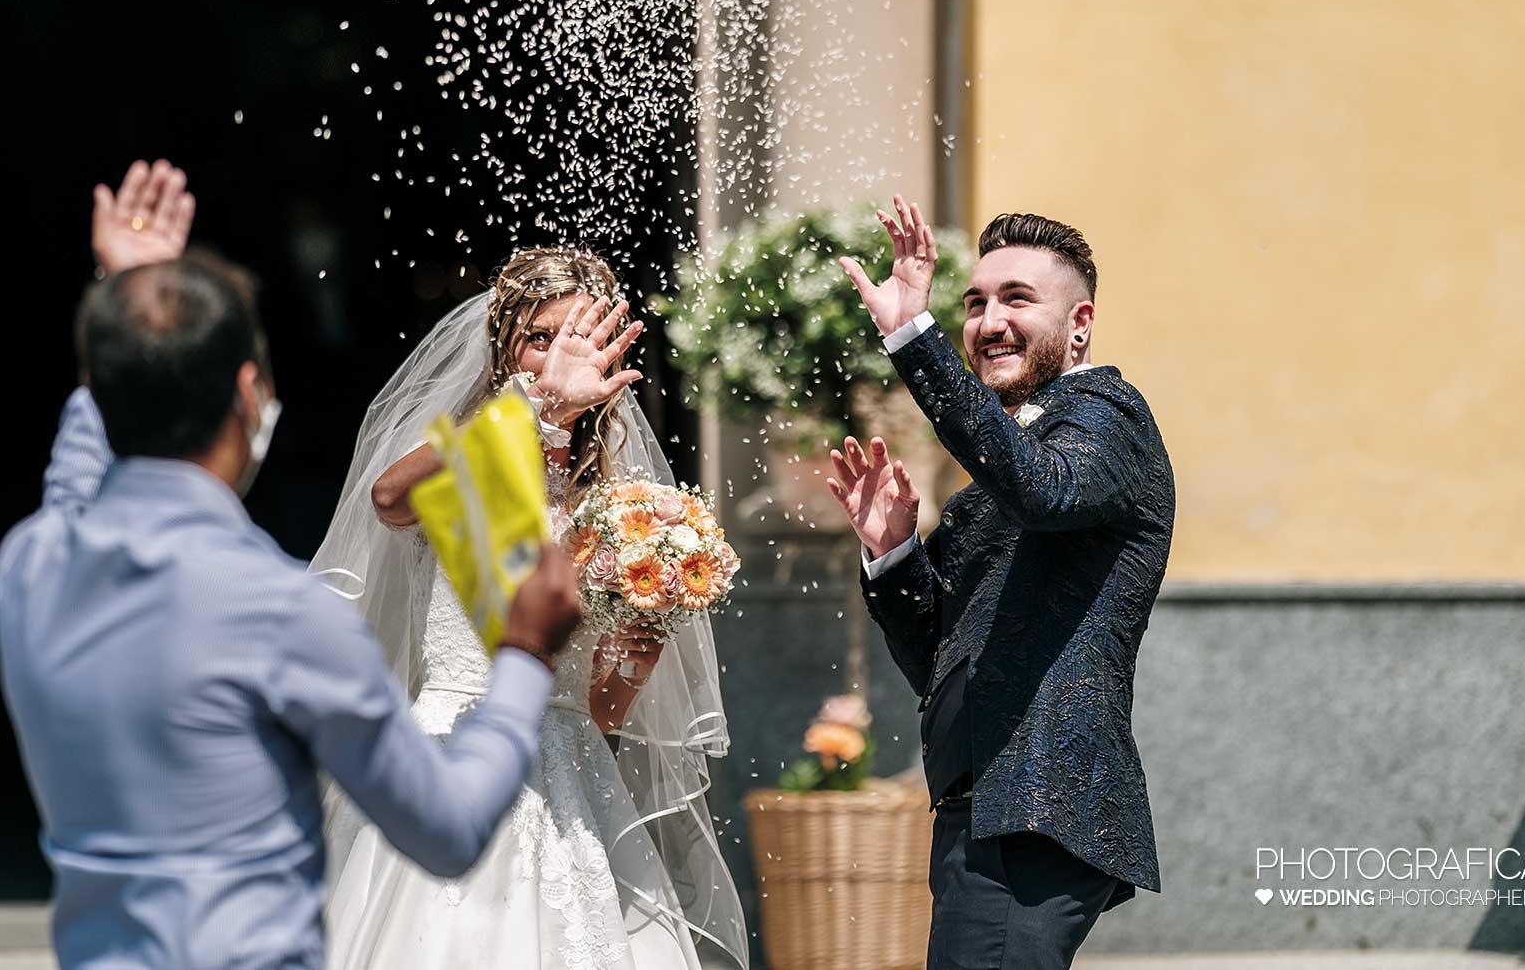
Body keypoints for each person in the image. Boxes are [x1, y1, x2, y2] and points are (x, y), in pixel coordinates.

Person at [0, 161, 585, 969]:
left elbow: (80, 458)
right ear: (249, 396)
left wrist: (131, 294)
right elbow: (447, 828)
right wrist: (523, 654)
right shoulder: (284, 611)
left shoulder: (31, 563)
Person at [310, 246, 749, 969]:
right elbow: (388, 499)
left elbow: (599, 711)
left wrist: (642, 645)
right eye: (539, 338)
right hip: (454, 745)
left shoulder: (617, 509)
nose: (558, 357)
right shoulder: (470, 450)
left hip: (571, 777)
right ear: (504, 349)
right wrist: (532, 406)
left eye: (576, 338)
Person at [829, 199, 1176, 969]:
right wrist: (892, 552)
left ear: (1080, 324)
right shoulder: (991, 484)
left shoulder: (1109, 416)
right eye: (975, 303)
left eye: (1017, 299)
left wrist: (912, 338)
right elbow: (937, 661)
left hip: (1038, 801)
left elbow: (1045, 490)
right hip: (980, 807)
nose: (989, 323)